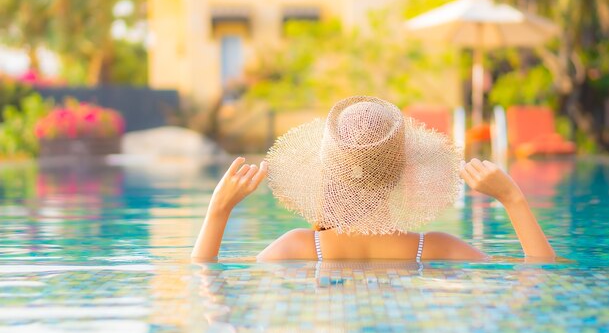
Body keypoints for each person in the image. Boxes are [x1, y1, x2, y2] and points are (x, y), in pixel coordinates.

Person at [192, 96, 555, 262]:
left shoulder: (298, 248)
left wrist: (218, 212)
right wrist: (513, 200)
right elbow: (543, 279)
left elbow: (205, 280)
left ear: (326, 173)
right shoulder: (438, 248)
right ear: (403, 172)